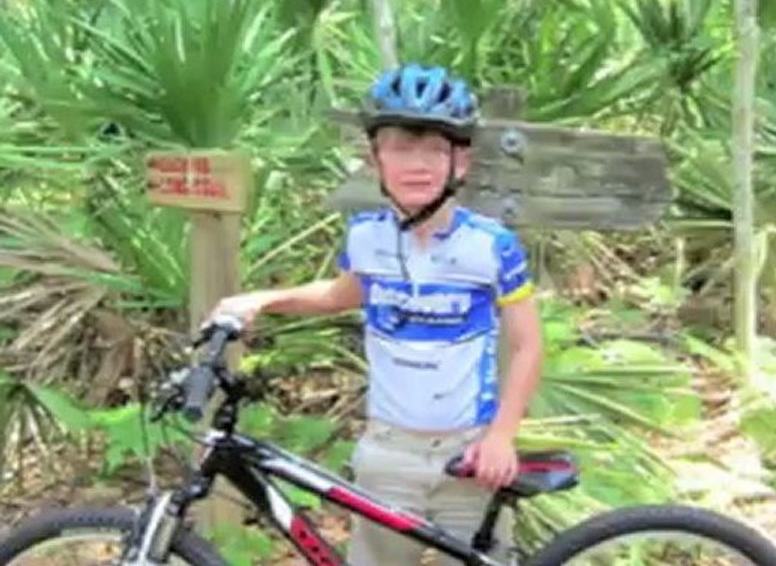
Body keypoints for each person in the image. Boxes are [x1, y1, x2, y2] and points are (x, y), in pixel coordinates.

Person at [212, 63, 543, 565]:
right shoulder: (366, 236)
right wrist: (262, 300)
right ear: (375, 160)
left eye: (434, 149)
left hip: (470, 453)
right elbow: (339, 294)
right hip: (389, 454)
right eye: (400, 147)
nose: (417, 164)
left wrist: (501, 436)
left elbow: (527, 345)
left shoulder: (491, 246)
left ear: (461, 163)